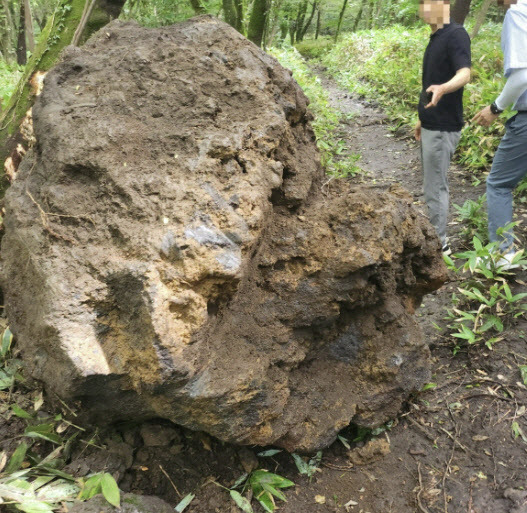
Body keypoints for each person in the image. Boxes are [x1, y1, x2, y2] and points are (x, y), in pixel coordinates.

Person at [472, 0, 527, 266]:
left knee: (499, 184)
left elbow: (521, 76)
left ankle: (502, 255)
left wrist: (496, 108)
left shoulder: (518, 12)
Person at [415, 0, 471, 255]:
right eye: (421, 4)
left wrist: (444, 88)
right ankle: (437, 238)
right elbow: (431, 82)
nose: (424, 9)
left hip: (443, 126)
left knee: (435, 186)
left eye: (430, 3)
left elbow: (464, 73)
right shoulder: (436, 37)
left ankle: (439, 244)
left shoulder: (455, 34)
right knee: (431, 184)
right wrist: (421, 118)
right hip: (431, 123)